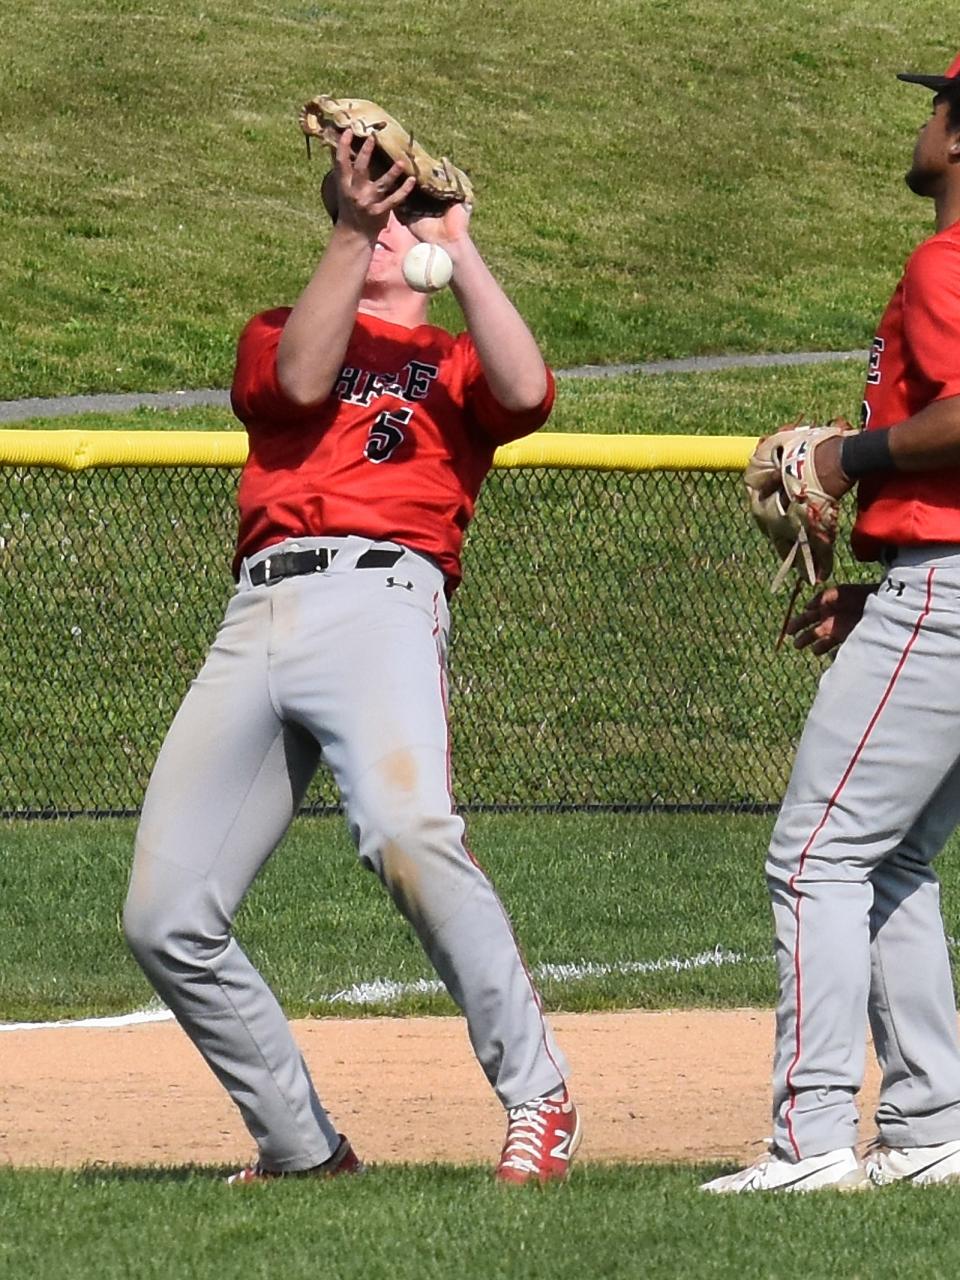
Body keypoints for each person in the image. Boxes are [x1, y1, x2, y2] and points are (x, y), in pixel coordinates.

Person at [122, 126, 579, 1185]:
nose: (389, 223)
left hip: (383, 597)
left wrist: (459, 244)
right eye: (377, 210)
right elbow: (295, 382)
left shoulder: (456, 363)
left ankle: (539, 1093)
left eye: (404, 214)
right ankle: (302, 1146)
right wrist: (349, 225)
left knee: (409, 829)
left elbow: (527, 393)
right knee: (164, 914)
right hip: (260, 612)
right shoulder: (284, 326)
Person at [703, 53, 960, 1193]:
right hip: (942, 579)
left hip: (947, 594)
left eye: (936, 106)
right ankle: (930, 1126)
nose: (924, 125)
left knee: (814, 852)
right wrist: (885, 575)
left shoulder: (947, 260)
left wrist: (843, 456)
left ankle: (808, 1143)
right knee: (891, 855)